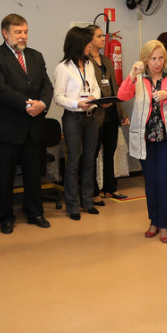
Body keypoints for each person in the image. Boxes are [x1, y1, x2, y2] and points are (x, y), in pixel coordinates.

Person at [0, 13, 54, 235]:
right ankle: (5, 216)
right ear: (5, 33)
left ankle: (35, 213)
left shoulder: (35, 56)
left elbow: (46, 85)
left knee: (34, 174)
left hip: (33, 127)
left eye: (25, 32)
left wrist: (43, 103)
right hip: (7, 128)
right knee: (5, 176)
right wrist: (28, 105)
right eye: (18, 32)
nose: (23, 36)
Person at [117, 40, 167, 243]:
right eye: (153, 58)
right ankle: (154, 221)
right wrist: (131, 75)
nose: (157, 63)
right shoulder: (139, 78)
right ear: (145, 60)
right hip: (145, 139)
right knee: (150, 182)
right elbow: (122, 96)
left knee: (163, 181)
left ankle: (164, 223)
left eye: (160, 58)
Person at [53, 26, 101, 221]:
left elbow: (96, 88)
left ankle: (87, 201)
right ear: (78, 44)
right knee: (73, 161)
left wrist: (94, 98)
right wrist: (77, 103)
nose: (90, 45)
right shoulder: (63, 68)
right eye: (88, 42)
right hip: (73, 118)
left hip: (91, 117)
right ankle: (72, 205)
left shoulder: (89, 65)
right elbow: (58, 97)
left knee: (89, 160)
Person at [87, 24, 129, 202]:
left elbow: (115, 87)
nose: (103, 39)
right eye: (98, 36)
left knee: (110, 151)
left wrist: (122, 113)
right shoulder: (85, 61)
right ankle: (93, 192)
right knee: (92, 153)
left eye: (102, 36)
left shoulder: (106, 60)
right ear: (89, 40)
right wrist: (99, 101)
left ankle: (110, 188)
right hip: (95, 114)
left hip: (111, 113)